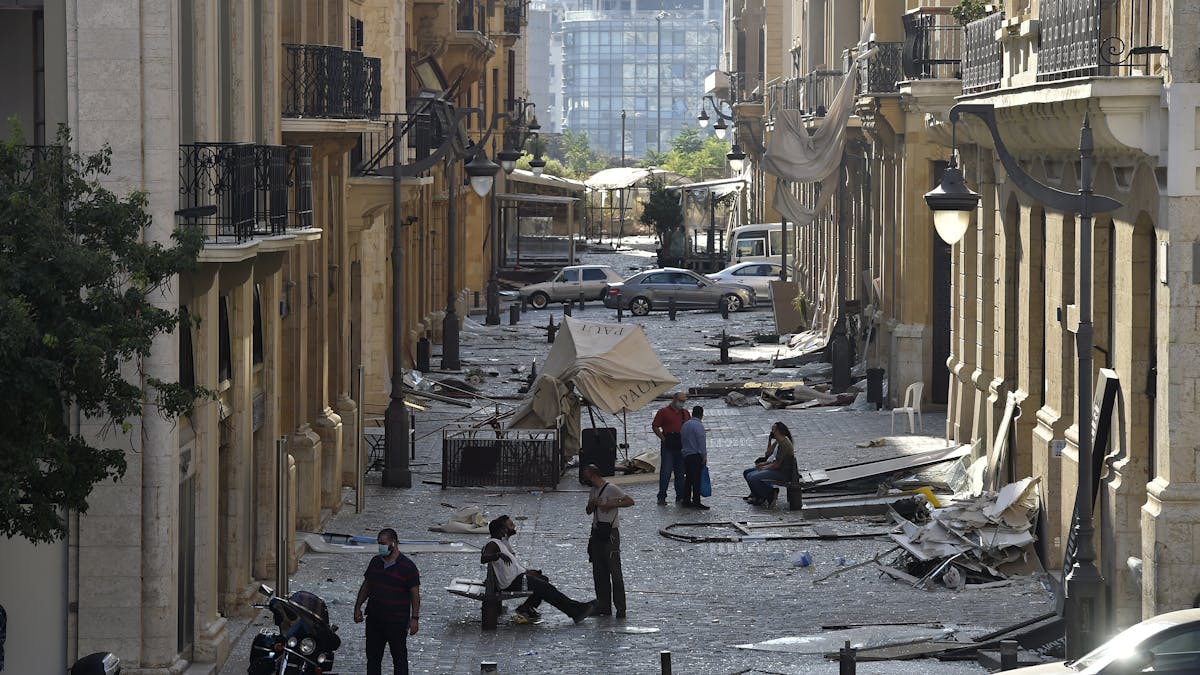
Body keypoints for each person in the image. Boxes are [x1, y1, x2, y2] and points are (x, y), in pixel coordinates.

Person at [481, 515, 596, 623]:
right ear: (502, 530)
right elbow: (484, 557)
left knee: (543, 579)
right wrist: (498, 555)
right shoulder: (493, 543)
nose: (511, 528)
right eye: (508, 526)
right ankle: (575, 611)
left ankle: (526, 607)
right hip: (512, 582)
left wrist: (526, 571)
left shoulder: (501, 543)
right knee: (545, 588)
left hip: (517, 578)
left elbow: (511, 567)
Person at [354, 528, 421, 675]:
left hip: (396, 622)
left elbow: (415, 594)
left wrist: (414, 618)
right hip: (374, 620)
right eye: (379, 544)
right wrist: (358, 606)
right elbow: (367, 585)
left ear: (394, 543)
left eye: (383, 544)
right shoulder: (375, 562)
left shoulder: (408, 567)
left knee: (399, 659)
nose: (381, 547)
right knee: (373, 659)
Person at [582, 464, 635, 617]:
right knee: (599, 571)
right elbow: (588, 511)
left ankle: (620, 607)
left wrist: (612, 503)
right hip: (597, 532)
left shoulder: (611, 489)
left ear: (593, 475)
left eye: (587, 476)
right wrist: (593, 503)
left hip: (610, 533)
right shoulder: (593, 490)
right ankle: (603, 605)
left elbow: (629, 501)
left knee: (615, 570)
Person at [652, 391, 691, 505]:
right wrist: (663, 438)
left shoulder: (685, 413)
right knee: (666, 471)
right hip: (668, 444)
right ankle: (662, 496)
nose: (682, 403)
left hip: (681, 444)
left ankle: (680, 496)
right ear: (674, 399)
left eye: (684, 401)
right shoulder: (663, 412)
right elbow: (655, 426)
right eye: (680, 400)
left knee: (680, 472)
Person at [743, 422, 795, 506]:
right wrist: (764, 464)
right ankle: (759, 495)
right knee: (748, 473)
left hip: (781, 472)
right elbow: (769, 455)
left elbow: (777, 464)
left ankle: (769, 494)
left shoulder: (784, 444)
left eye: (773, 430)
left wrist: (765, 468)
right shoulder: (779, 442)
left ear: (778, 431)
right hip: (776, 468)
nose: (772, 432)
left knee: (752, 477)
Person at [680, 406, 709, 509]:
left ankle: (686, 500)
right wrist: (704, 456)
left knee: (688, 479)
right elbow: (701, 441)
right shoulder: (699, 426)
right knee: (696, 480)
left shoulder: (685, 425)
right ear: (701, 414)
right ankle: (696, 501)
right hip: (695, 455)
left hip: (686, 455)